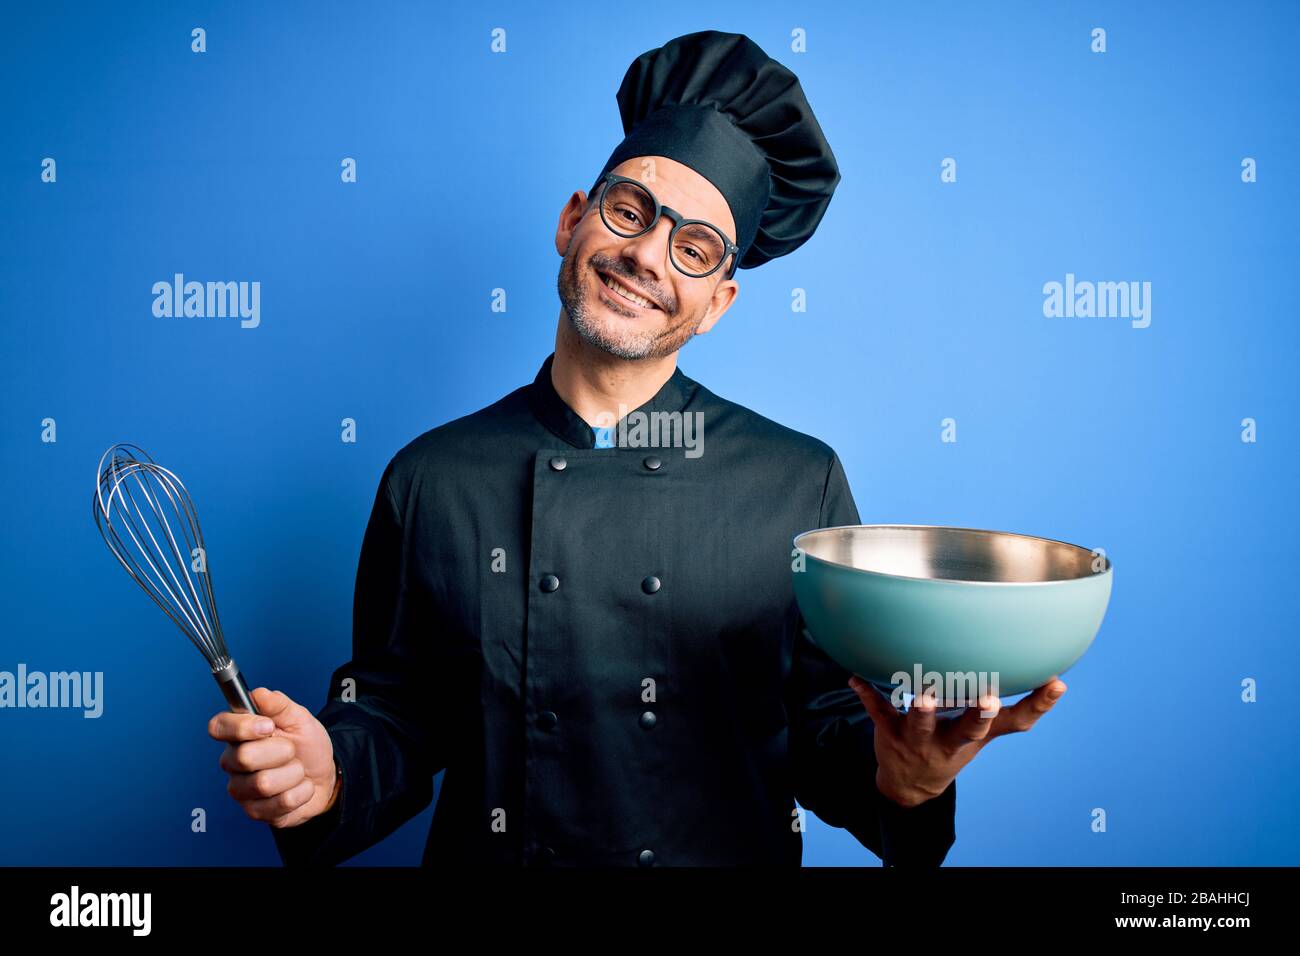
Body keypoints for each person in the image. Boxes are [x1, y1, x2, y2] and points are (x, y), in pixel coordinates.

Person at [208, 30, 1067, 867]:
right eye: (630, 210)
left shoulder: (798, 482)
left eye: (693, 248)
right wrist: (327, 773)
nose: (647, 256)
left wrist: (907, 783)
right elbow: (395, 710)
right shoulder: (433, 475)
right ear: (573, 220)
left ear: (718, 301)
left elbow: (829, 723)